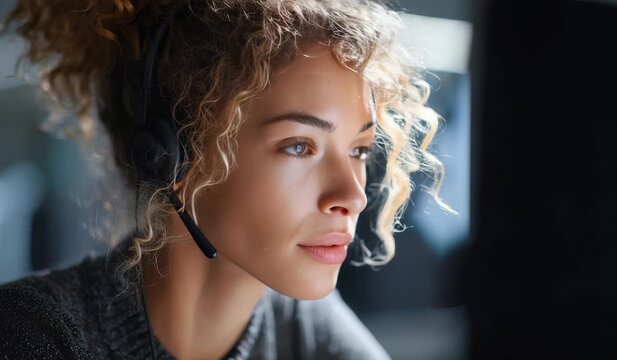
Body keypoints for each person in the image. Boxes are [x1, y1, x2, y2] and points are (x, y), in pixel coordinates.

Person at [0, 0, 454, 359]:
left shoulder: (310, 331)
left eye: (358, 150)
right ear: (172, 158)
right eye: (299, 146)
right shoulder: (32, 335)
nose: (352, 196)